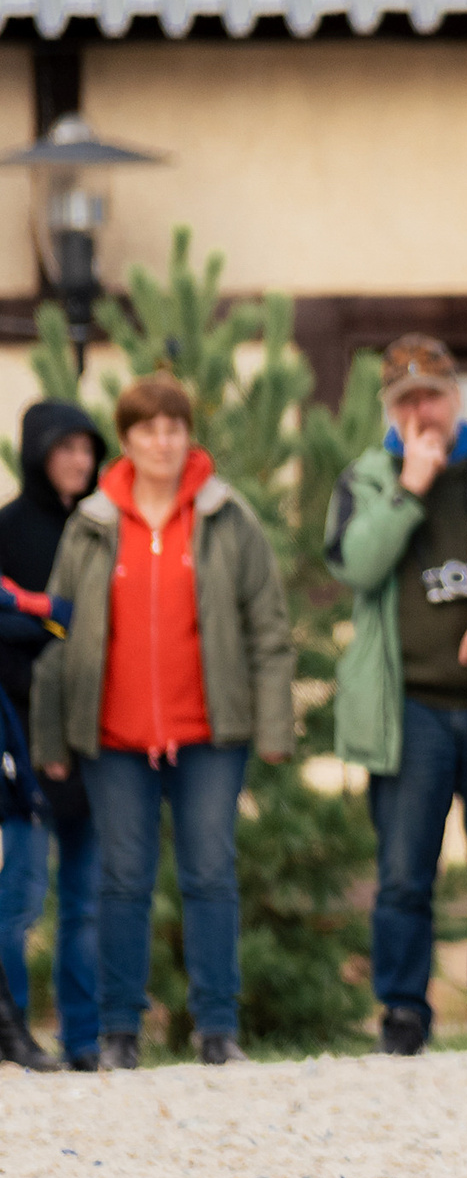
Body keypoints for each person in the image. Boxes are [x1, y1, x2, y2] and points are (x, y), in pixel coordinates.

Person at [32, 376, 292, 1068]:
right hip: (113, 737)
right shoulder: (91, 524)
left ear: (188, 435)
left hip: (208, 731)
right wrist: (51, 736)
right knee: (122, 878)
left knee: (210, 872)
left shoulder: (227, 517)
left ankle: (217, 1029)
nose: (162, 442)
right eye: (147, 429)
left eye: (174, 427)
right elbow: (57, 634)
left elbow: (266, 627)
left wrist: (273, 725)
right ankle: (119, 1030)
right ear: (127, 440)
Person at [327, 336, 467, 1056]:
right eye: (406, 401)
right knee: (402, 874)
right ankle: (402, 1014)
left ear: (456, 398)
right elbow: (358, 565)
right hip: (410, 712)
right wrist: (410, 489)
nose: (422, 410)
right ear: (391, 411)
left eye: (432, 395)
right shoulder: (366, 479)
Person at [0, 400, 105, 1070]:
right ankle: (10, 1026)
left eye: (88, 449)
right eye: (65, 448)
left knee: (87, 898)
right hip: (21, 735)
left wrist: (48, 623)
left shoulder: (103, 529)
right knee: (23, 894)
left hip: (95, 735)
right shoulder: (8, 528)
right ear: (39, 452)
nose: (80, 461)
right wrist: (52, 626)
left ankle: (86, 1040)